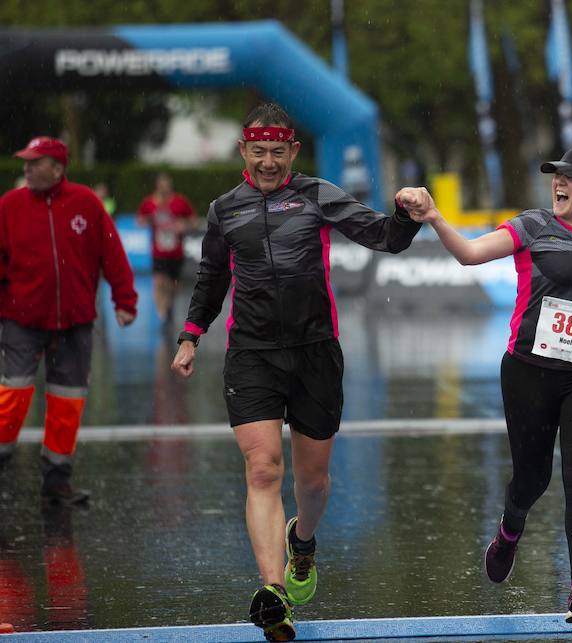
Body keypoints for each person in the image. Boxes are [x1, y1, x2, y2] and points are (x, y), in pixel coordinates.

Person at [170, 103, 421, 642]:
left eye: (276, 152)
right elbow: (211, 277)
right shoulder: (224, 209)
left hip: (315, 353)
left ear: (292, 152)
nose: (266, 162)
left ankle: (302, 544)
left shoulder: (316, 195)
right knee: (262, 470)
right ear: (243, 151)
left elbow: (385, 237)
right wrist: (191, 336)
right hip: (252, 354)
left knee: (313, 481)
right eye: (257, 152)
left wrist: (405, 213)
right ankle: (273, 590)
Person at [398, 143, 572, 623]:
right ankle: (509, 532)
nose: (559, 183)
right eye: (556, 176)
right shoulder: (532, 226)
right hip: (529, 372)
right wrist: (434, 218)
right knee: (531, 479)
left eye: (570, 178)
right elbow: (470, 255)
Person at [0, 136, 137, 504]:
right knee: (12, 394)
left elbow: (112, 253)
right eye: (25, 162)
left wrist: (124, 299)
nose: (26, 168)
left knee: (67, 401)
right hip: (21, 320)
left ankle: (57, 479)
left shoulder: (86, 204)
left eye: (34, 162)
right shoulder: (9, 207)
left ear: (57, 168)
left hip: (75, 322)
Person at [137, 172, 197, 327]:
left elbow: (193, 221)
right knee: (158, 281)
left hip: (175, 252)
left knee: (173, 284)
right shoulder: (149, 202)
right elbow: (140, 220)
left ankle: (168, 307)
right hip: (158, 251)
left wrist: (183, 225)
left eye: (167, 184)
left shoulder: (180, 201)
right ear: (157, 185)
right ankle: (162, 314)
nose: (164, 187)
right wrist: (148, 220)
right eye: (162, 184)